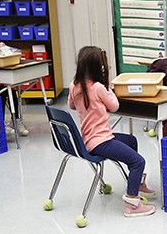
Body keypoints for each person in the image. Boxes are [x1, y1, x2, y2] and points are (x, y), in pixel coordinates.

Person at [67, 46, 156, 218]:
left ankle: (135, 183)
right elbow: (114, 106)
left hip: (88, 140)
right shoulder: (99, 87)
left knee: (131, 140)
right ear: (96, 67)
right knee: (139, 162)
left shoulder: (73, 85)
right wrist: (106, 85)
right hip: (101, 141)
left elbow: (71, 105)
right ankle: (132, 204)